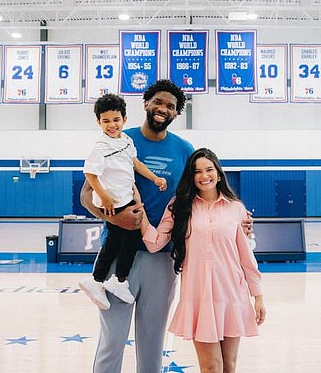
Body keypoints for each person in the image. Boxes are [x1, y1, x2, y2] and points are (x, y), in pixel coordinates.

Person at [80, 79, 194, 373]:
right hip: (119, 254)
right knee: (112, 340)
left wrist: (237, 219)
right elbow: (86, 196)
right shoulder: (117, 137)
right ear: (145, 104)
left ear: (176, 113)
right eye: (158, 102)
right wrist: (114, 218)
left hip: (162, 259)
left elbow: (201, 197)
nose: (162, 109)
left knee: (153, 343)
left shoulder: (184, 150)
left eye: (170, 106)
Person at [140, 148, 266, 373]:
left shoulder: (236, 209)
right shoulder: (179, 206)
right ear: (191, 176)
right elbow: (155, 242)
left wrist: (258, 297)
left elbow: (246, 257)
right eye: (197, 171)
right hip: (200, 297)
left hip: (232, 295)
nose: (204, 175)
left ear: (218, 173)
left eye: (209, 169)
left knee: (229, 366)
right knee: (211, 367)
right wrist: (139, 212)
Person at [78, 93, 167, 310]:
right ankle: (111, 280)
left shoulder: (126, 141)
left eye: (116, 120)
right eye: (106, 121)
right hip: (112, 202)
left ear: (124, 120)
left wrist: (154, 177)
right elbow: (90, 174)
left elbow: (136, 163)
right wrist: (105, 196)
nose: (111, 125)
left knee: (119, 241)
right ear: (99, 122)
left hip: (125, 197)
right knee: (122, 239)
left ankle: (105, 280)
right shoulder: (99, 147)